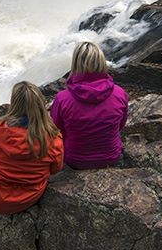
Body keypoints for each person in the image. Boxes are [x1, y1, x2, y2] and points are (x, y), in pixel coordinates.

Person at [0, 81, 64, 215]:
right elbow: (55, 169)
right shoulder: (53, 139)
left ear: (14, 104)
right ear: (41, 105)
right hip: (26, 200)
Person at [50, 41, 128, 169]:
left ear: (75, 64)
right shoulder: (120, 93)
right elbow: (121, 126)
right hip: (111, 157)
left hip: (75, 160)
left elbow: (56, 132)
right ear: (102, 62)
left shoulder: (62, 99)